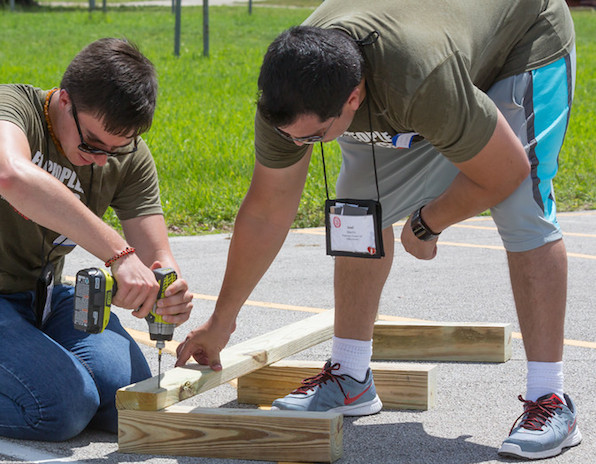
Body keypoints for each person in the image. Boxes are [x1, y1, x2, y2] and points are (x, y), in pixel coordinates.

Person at [176, 0, 580, 459]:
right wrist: (221, 320)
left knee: (520, 206)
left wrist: (428, 224)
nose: (298, 146)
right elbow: (268, 210)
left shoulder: (417, 78)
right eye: (291, 136)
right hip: (427, 63)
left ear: (353, 97)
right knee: (356, 210)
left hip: (520, 41)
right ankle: (350, 375)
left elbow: (505, 170)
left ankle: (551, 399)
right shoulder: (289, 93)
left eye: (311, 137)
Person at [0, 38, 193, 441]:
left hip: (46, 301)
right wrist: (119, 255)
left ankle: (23, 362)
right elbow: (11, 175)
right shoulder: (6, 108)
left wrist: (166, 288)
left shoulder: (125, 154)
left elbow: (156, 253)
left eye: (116, 148)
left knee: (128, 403)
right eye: (92, 143)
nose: (100, 159)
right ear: (62, 100)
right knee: (62, 408)